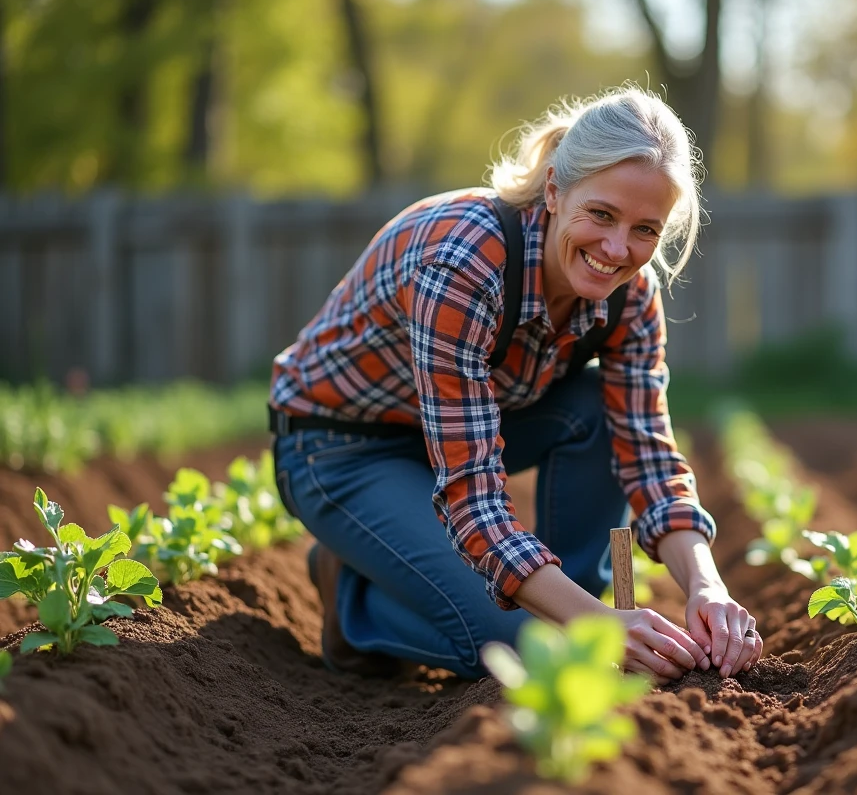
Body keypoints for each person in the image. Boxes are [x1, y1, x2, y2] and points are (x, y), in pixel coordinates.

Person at [268, 84, 762, 684]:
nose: (617, 248)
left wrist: (708, 588)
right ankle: (353, 599)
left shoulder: (632, 293)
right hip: (341, 448)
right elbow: (473, 498)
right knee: (522, 652)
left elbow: (648, 454)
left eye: (645, 230)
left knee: (597, 414)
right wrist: (595, 626)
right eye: (601, 214)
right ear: (554, 188)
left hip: (453, 432)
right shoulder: (465, 261)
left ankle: (567, 605)